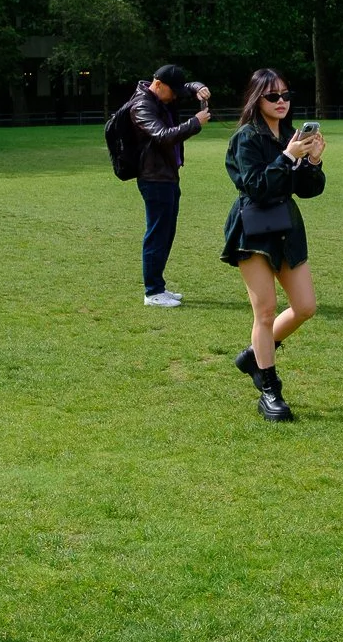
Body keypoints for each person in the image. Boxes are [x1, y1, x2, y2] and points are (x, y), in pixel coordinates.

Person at [221, 69, 326, 421]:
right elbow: (254, 187)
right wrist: (285, 157)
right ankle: (269, 389)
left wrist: (312, 162)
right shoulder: (245, 139)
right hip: (254, 228)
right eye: (272, 96)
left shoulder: (291, 134)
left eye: (285, 95)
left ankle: (254, 355)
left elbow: (308, 190)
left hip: (287, 225)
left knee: (306, 306)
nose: (281, 102)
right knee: (264, 311)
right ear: (256, 100)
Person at [130, 64, 211, 307]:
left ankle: (158, 287)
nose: (175, 96)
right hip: (153, 178)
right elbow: (163, 136)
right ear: (158, 84)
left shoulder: (159, 97)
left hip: (167, 176)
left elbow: (185, 88)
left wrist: (199, 88)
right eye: (172, 91)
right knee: (157, 234)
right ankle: (152, 291)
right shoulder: (142, 105)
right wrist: (194, 123)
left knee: (166, 233)